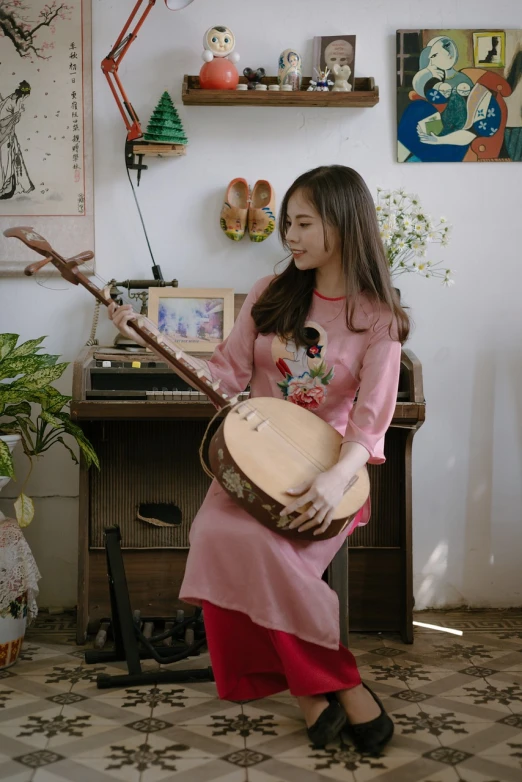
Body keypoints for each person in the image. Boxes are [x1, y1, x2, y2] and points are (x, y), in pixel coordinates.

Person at [109, 165, 410, 756]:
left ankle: (313, 694)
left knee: (268, 551)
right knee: (216, 533)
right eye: (287, 224)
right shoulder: (269, 295)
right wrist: (150, 338)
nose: (289, 237)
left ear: (344, 227)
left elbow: (371, 421)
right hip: (256, 466)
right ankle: (332, 685)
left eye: (303, 224)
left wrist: (333, 479)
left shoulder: (378, 319)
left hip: (331, 476)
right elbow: (224, 373)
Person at [0, 80, 34, 199]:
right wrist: (19, 113)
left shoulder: (10, 97)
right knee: (8, 161)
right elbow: (14, 119)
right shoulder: (18, 100)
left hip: (4, 131)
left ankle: (9, 187)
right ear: (24, 94)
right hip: (7, 133)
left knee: (10, 159)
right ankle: (7, 188)